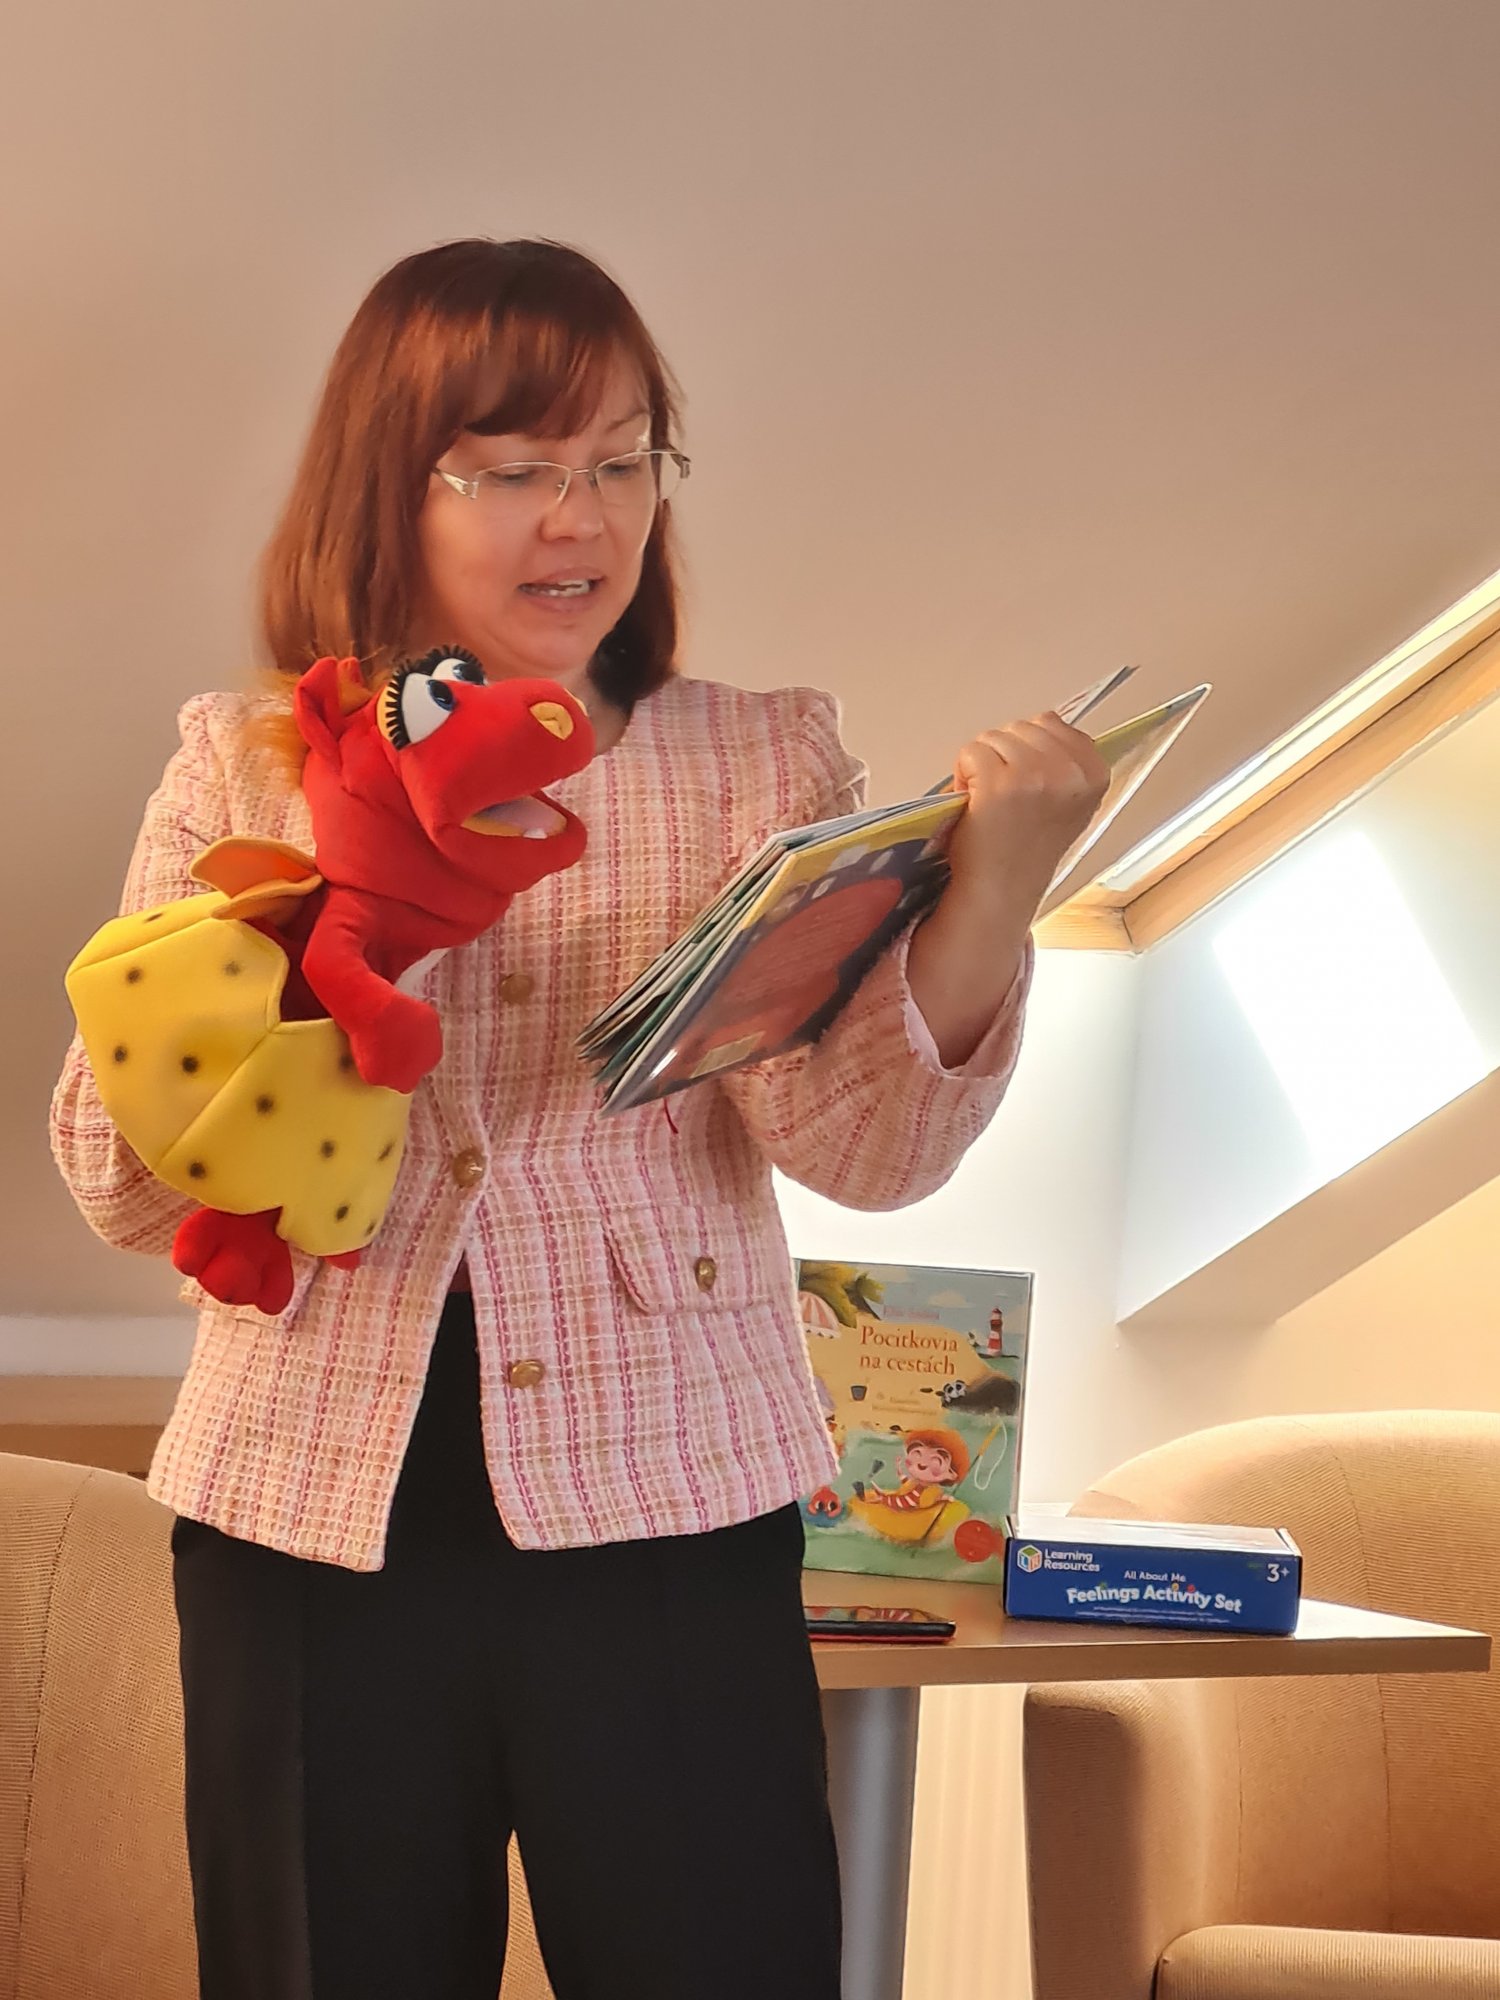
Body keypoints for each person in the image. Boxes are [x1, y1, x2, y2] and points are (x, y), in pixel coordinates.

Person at [49, 237, 1108, 2000]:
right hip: (311, 1505)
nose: (583, 519)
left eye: (623, 462)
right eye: (517, 470)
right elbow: (118, 1184)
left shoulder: (761, 761)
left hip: (671, 1501)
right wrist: (337, 920)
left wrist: (996, 891)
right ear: (391, 489)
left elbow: (863, 1151)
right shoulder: (247, 762)